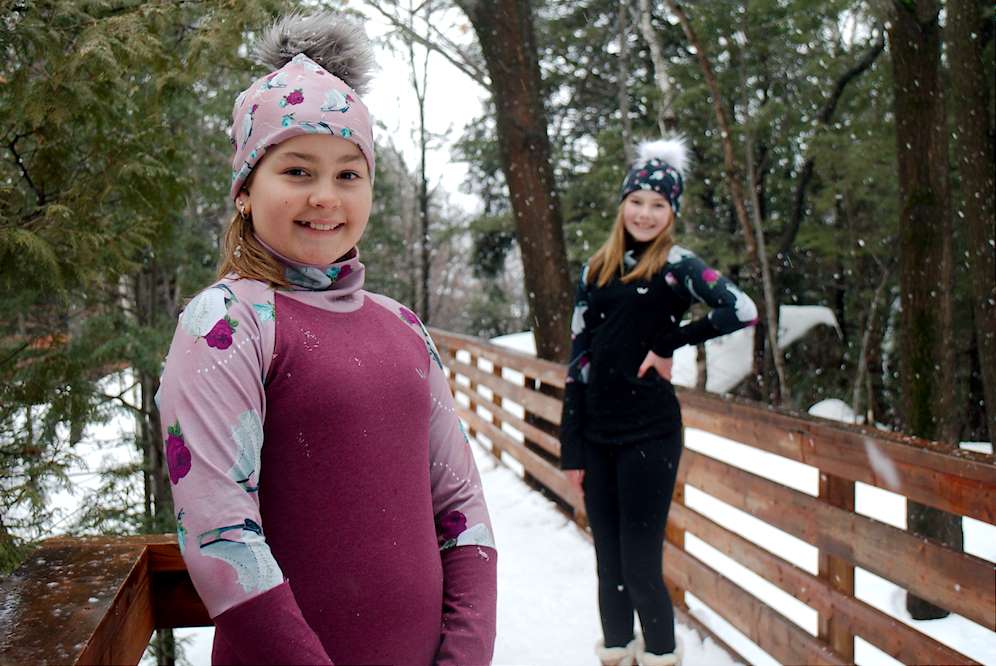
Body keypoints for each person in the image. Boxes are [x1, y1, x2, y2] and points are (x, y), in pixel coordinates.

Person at [156, 14, 496, 666]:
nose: (325, 198)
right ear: (247, 192)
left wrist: (465, 653)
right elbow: (221, 527)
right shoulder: (227, 324)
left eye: (348, 174)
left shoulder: (402, 327)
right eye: (297, 170)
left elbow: (460, 507)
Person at [559, 137, 757, 666]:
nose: (645, 213)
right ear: (623, 204)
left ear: (671, 213)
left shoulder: (676, 264)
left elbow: (741, 308)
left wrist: (671, 341)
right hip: (597, 435)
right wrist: (571, 449)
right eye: (637, 201)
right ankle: (618, 655)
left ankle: (662, 655)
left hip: (650, 431)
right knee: (609, 565)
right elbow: (577, 363)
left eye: (658, 204)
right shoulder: (595, 270)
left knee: (641, 564)